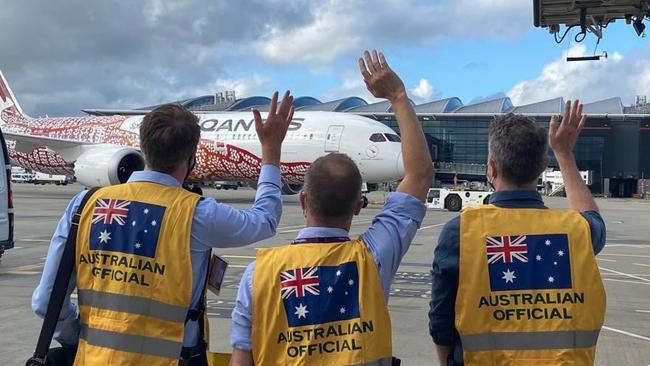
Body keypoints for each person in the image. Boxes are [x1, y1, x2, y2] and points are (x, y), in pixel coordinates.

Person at [32, 92, 295, 366]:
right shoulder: (198, 213)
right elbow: (264, 221)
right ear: (191, 157)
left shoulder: (84, 205)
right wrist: (271, 151)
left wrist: (79, 338)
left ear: (143, 148)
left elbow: (45, 301)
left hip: (93, 358)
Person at [228, 50, 434, 366]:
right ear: (357, 207)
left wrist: (270, 152)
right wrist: (398, 96)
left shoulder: (259, 274)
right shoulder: (372, 258)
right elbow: (419, 175)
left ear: (303, 200)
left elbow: (242, 360)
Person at [429, 101, 607, 365]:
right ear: (542, 167)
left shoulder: (461, 231)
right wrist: (565, 155)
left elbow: (441, 321)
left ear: (491, 166)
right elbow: (595, 220)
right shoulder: (577, 230)